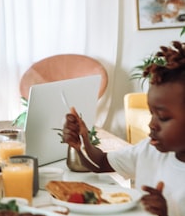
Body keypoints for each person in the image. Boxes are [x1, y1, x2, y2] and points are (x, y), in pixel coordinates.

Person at [62, 41, 185, 216]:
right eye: (151, 113)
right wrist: (82, 141)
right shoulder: (148, 151)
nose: (152, 124)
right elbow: (101, 163)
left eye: (163, 117)